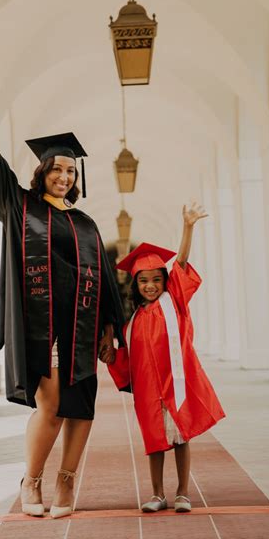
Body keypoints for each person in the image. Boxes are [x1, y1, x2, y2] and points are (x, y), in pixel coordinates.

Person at [0, 78, 124, 519]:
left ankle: (66, 485)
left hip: (82, 327)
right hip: (43, 327)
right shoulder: (22, 206)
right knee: (51, 405)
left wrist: (107, 328)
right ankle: (32, 480)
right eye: (56, 169)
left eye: (70, 171)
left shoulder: (86, 223)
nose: (64, 177)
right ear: (42, 172)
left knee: (82, 407)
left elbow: (101, 276)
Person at [108, 203, 225, 513]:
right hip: (148, 391)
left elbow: (182, 262)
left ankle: (183, 492)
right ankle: (158, 494)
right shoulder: (132, 322)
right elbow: (126, 362)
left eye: (156, 280)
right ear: (136, 284)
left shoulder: (174, 303)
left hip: (176, 384)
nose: (150, 285)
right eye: (144, 281)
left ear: (164, 282)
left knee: (181, 436)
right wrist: (109, 356)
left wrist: (188, 228)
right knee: (154, 441)